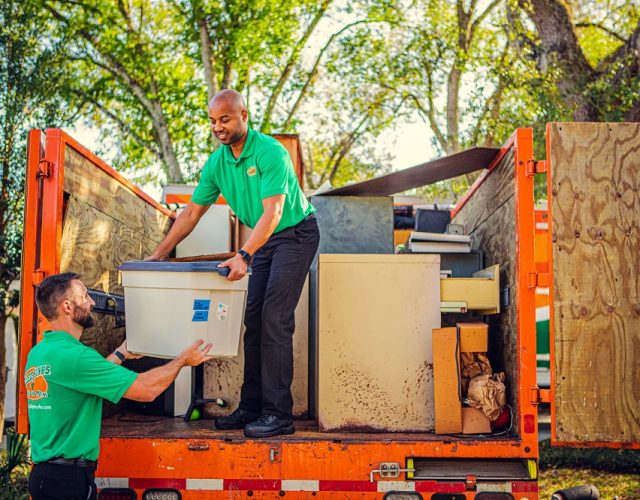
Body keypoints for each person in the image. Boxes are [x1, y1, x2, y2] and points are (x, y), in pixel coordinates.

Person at [147, 89, 319, 438]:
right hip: (264, 240)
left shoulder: (270, 152)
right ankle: (252, 408)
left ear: (244, 115)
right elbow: (193, 212)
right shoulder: (217, 163)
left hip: (295, 234)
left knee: (274, 318)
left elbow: (274, 212)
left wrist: (244, 254)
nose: (218, 127)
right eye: (212, 121)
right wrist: (160, 253)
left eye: (224, 119)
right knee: (252, 321)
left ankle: (278, 415)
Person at [25, 272, 214, 500]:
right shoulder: (76, 357)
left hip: (48, 476)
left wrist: (122, 353)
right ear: (67, 306)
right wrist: (183, 361)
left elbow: (84, 379)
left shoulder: (40, 353)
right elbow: (146, 390)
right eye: (85, 296)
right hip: (67, 481)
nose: (93, 303)